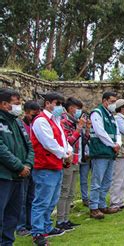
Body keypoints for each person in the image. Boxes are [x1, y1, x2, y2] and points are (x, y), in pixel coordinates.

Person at [31, 92, 72, 245]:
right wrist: (64, 154)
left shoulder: (56, 120)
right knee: (42, 200)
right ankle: (37, 232)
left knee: (52, 199)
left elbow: (62, 139)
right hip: (45, 165)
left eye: (62, 104)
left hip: (56, 164)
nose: (60, 107)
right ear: (48, 103)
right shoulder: (41, 121)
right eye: (58, 103)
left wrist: (68, 150)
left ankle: (46, 226)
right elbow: (49, 143)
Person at [0, 89, 34, 246]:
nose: (19, 107)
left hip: (19, 177)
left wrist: (27, 164)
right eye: (16, 104)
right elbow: (1, 149)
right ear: (4, 104)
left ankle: (8, 242)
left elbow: (29, 146)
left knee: (13, 215)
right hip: (4, 175)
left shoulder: (18, 123)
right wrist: (19, 166)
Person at [88, 92, 121, 219]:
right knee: (97, 181)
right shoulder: (97, 113)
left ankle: (102, 204)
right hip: (100, 152)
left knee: (107, 181)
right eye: (112, 101)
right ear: (105, 101)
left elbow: (117, 132)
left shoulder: (111, 116)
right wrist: (113, 145)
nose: (114, 104)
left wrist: (118, 143)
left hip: (110, 153)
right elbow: (100, 131)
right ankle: (94, 207)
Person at [56, 97, 86, 231]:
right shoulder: (65, 121)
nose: (78, 111)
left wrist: (85, 129)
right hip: (67, 161)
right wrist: (79, 128)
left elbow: (83, 141)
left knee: (71, 193)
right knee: (64, 191)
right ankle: (60, 220)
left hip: (76, 160)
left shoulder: (74, 122)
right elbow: (69, 141)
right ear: (70, 108)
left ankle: (66, 219)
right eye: (77, 108)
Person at [16, 100, 40, 237]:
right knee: (22, 197)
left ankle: (30, 223)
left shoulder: (35, 124)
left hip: (34, 165)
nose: (34, 117)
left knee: (32, 196)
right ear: (26, 112)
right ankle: (20, 226)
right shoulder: (20, 125)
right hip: (23, 165)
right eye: (32, 114)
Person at [79, 113, 91, 207]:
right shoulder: (77, 129)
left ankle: (85, 198)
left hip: (86, 158)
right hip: (77, 157)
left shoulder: (88, 130)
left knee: (84, 179)